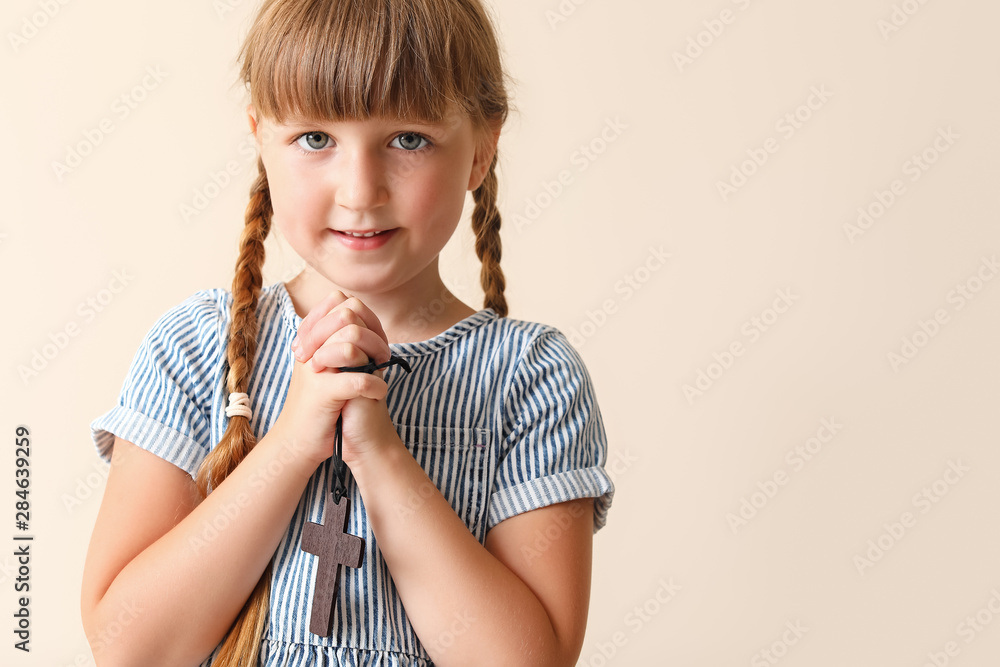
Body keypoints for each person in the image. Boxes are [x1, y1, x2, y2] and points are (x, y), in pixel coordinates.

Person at [81, 0, 614, 664]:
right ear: (260, 135)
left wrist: (381, 456)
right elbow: (132, 647)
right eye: (315, 139)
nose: (360, 191)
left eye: (409, 139)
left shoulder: (531, 377)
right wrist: (296, 440)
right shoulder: (194, 349)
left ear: (481, 148)